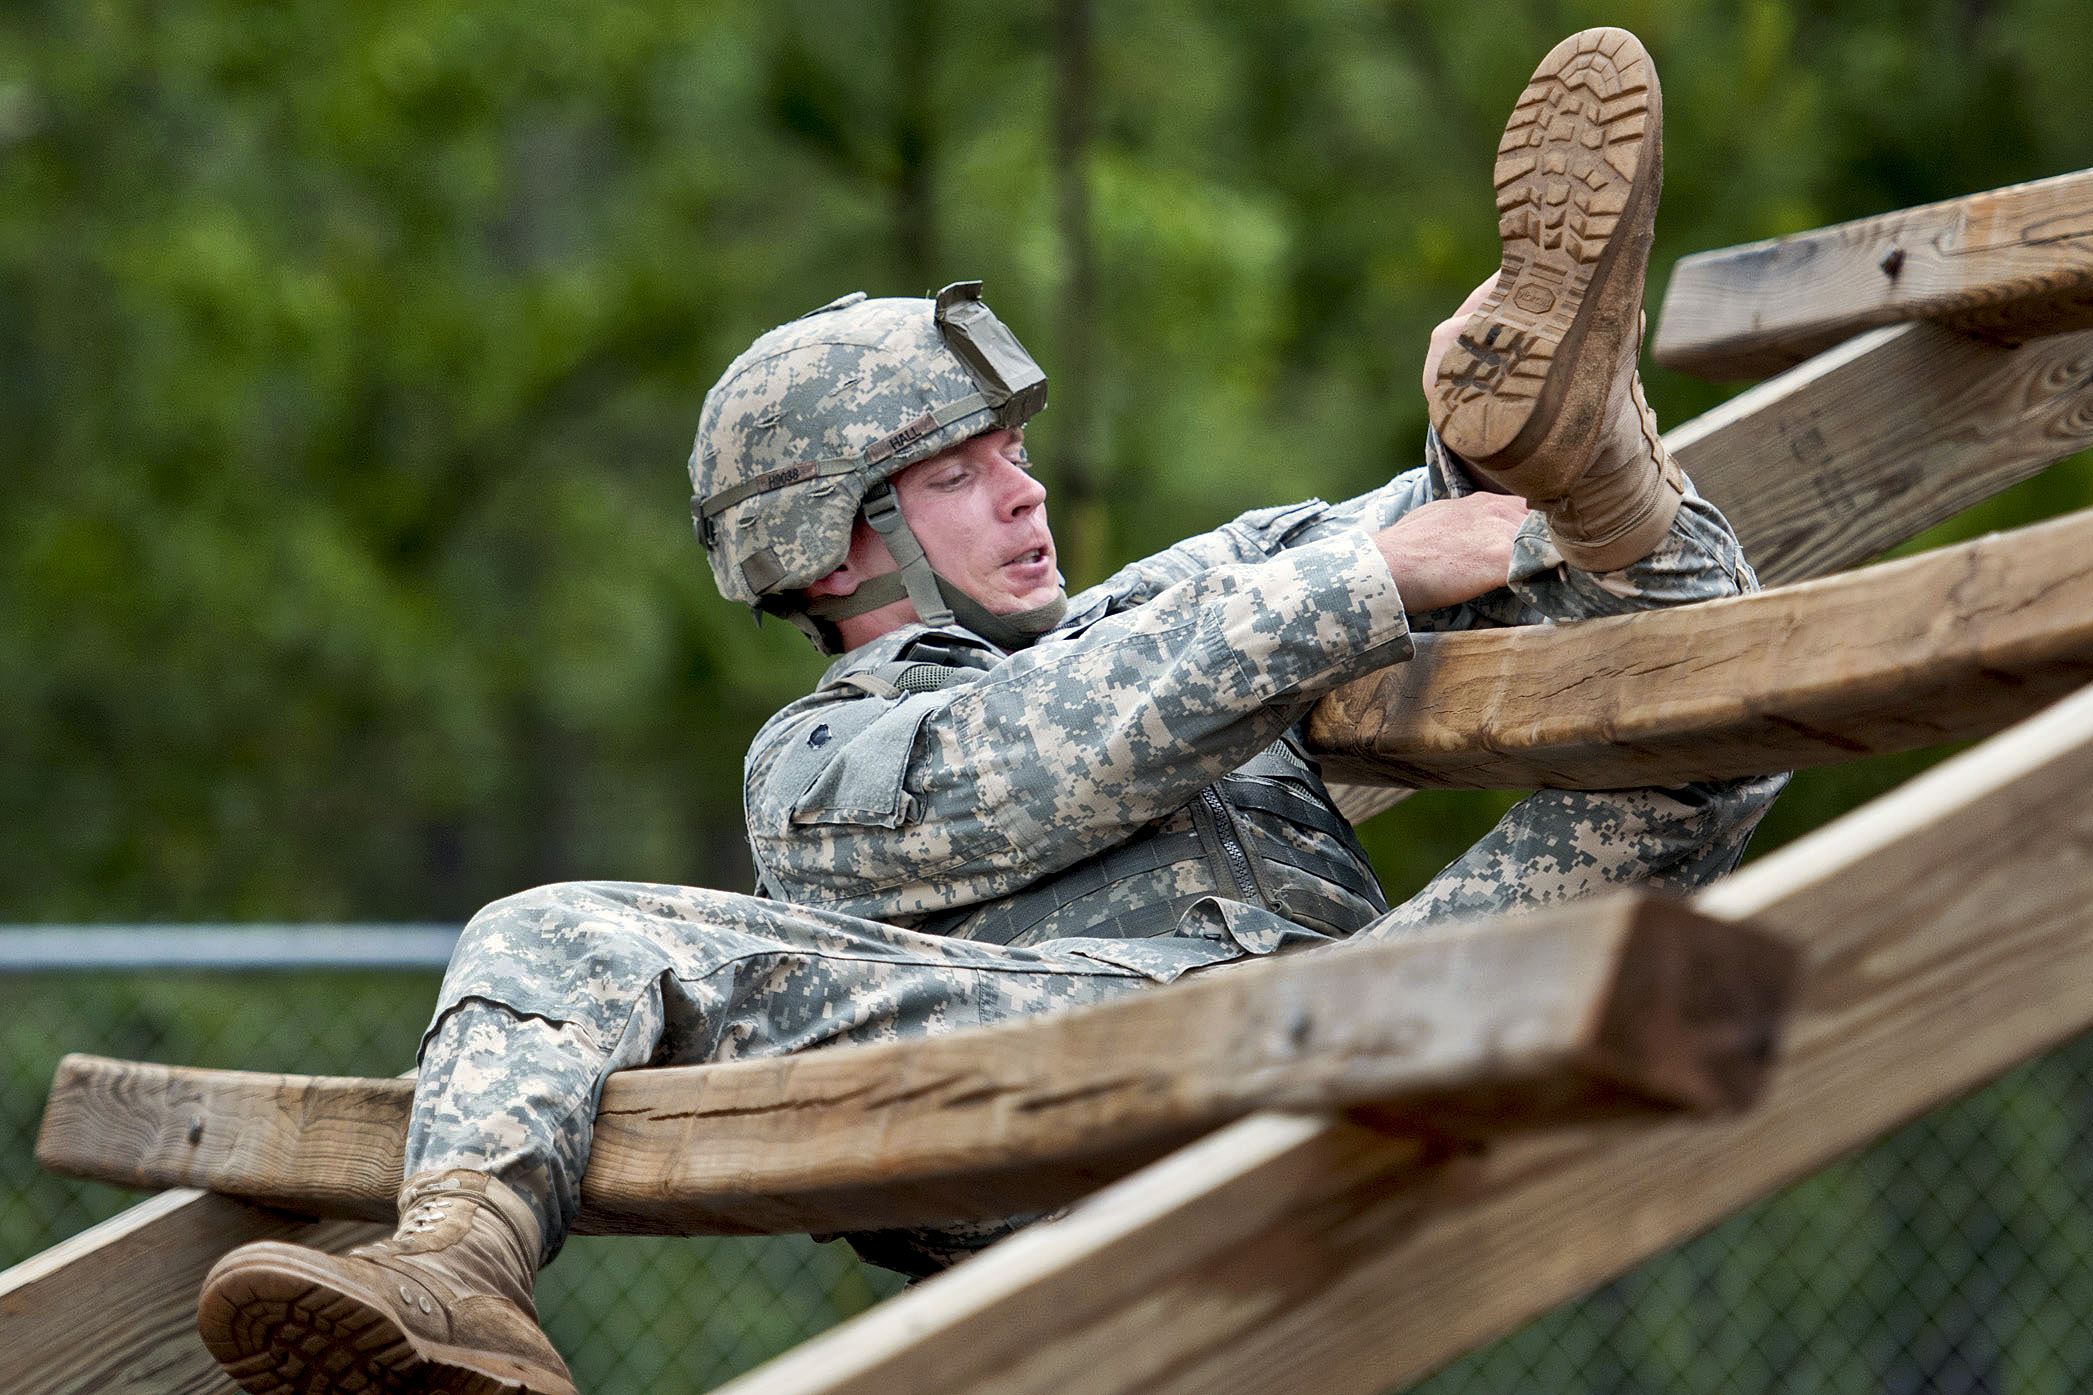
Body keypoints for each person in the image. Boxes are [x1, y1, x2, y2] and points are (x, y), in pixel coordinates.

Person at [195, 27, 1782, 1395]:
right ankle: (455, 1272)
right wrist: (1363, 581)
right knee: (551, 930)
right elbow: (1045, 760)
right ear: (834, 542)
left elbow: (1364, 542)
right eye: (957, 473)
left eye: (1012, 455)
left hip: (1374, 1026)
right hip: (1073, 1091)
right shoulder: (819, 761)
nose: (1022, 495)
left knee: (1701, 724)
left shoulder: (1160, 607)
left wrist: (1482, 435)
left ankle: (1602, 445)